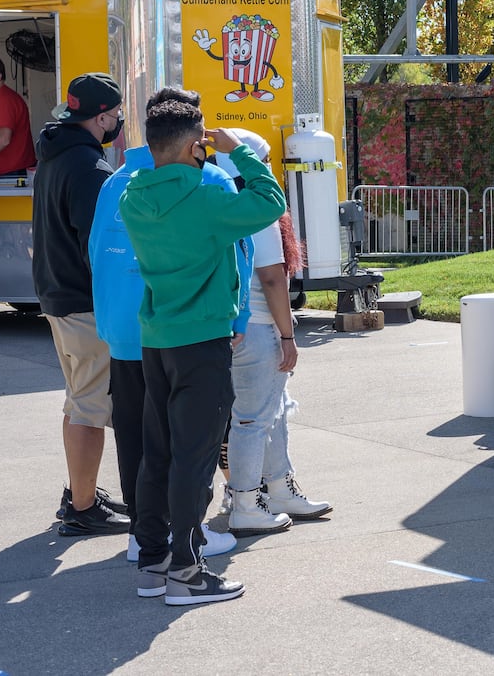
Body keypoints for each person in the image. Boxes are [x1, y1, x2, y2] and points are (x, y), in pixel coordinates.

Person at [121, 103, 285, 606]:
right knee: (194, 459)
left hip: (157, 339)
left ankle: (154, 561)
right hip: (203, 340)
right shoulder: (210, 194)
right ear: (196, 147)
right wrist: (240, 154)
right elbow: (270, 201)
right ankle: (189, 572)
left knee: (159, 452)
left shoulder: (131, 197)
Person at [90, 87, 244, 561]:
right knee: (192, 446)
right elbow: (240, 251)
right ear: (195, 133)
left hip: (128, 331)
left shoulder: (120, 183)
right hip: (190, 327)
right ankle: (188, 543)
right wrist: (238, 317)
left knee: (140, 439)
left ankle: (145, 536)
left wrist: (109, 322)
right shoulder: (209, 181)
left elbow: (96, 252)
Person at [217, 128, 331, 534]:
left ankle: (278, 488)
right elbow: (271, 278)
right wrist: (288, 336)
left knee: (270, 414)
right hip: (259, 328)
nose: (270, 169)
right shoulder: (257, 208)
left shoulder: (217, 199)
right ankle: (247, 502)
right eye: (264, 161)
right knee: (252, 419)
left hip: (234, 327)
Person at [32, 72, 131, 537]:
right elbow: (101, 247)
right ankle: (84, 508)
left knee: (78, 401)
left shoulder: (56, 156)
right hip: (85, 301)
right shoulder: (91, 170)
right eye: (116, 116)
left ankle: (80, 491)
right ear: (101, 117)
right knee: (91, 406)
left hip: (56, 294)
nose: (119, 124)